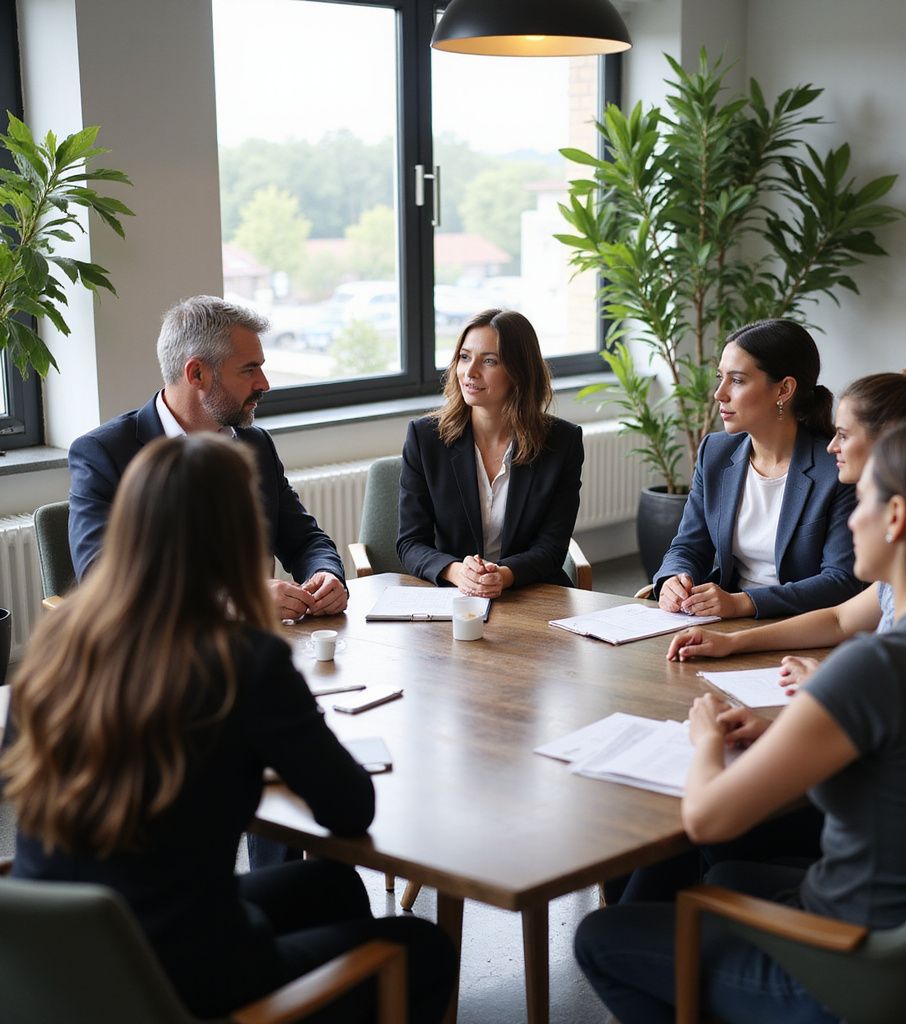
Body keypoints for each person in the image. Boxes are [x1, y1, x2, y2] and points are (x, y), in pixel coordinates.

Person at [576, 417, 906, 1023]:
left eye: (861, 499)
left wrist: (707, 739)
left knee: (602, 937)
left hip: (852, 973)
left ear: (895, 520)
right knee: (729, 870)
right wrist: (795, 731)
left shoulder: (880, 666)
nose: (851, 517)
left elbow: (708, 816)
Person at [1, 435, 455, 1024]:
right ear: (235, 538)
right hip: (171, 983)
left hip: (57, 957)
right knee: (424, 950)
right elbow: (350, 807)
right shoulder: (242, 660)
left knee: (329, 889)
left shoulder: (55, 648)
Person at [667, 357, 906, 689]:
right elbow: (840, 619)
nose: (832, 445)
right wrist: (732, 643)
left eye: (843, 435)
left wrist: (830, 684)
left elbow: (905, 688)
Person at [68, 294, 348, 623]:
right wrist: (232, 602)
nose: (265, 384)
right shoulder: (105, 454)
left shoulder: (255, 445)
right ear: (197, 374)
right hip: (160, 659)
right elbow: (102, 581)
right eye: (249, 370)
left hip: (259, 648)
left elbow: (304, 540)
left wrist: (326, 574)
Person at [653, 319, 860, 620]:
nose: (719, 394)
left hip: (805, 628)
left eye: (736, 381)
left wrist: (744, 602)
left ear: (784, 389)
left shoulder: (837, 469)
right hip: (726, 620)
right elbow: (688, 546)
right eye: (720, 378)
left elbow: (841, 582)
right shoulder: (716, 452)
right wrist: (674, 579)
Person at [398, 308, 584, 597]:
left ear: (519, 372)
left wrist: (503, 575)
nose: (470, 372)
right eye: (464, 357)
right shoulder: (425, 438)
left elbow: (551, 547)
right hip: (452, 597)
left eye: (489, 361)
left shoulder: (562, 443)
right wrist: (458, 572)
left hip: (530, 593)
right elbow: (410, 543)